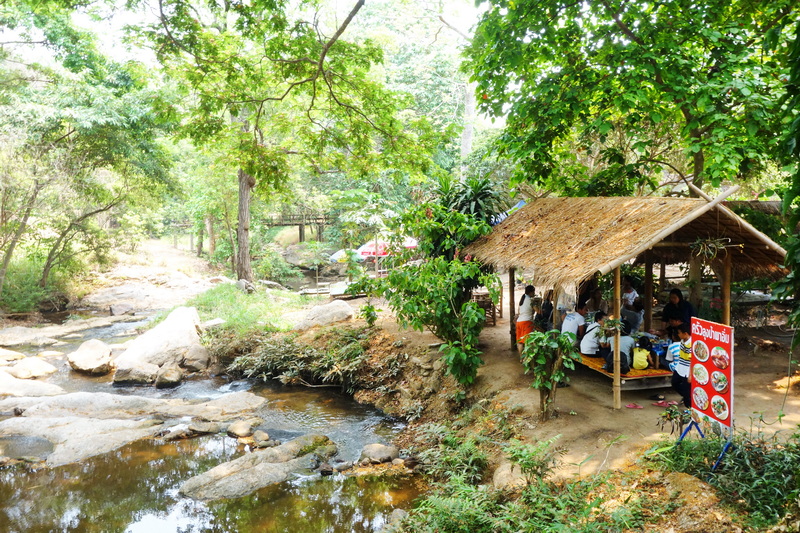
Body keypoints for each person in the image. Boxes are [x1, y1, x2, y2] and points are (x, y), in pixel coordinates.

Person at [669, 322, 693, 408]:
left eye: (679, 333)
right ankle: (689, 398)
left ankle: (690, 409)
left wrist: (690, 375)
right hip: (680, 367)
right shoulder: (682, 340)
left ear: (685, 333)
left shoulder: (692, 344)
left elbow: (692, 361)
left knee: (687, 393)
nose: (678, 334)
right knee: (674, 383)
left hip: (687, 369)